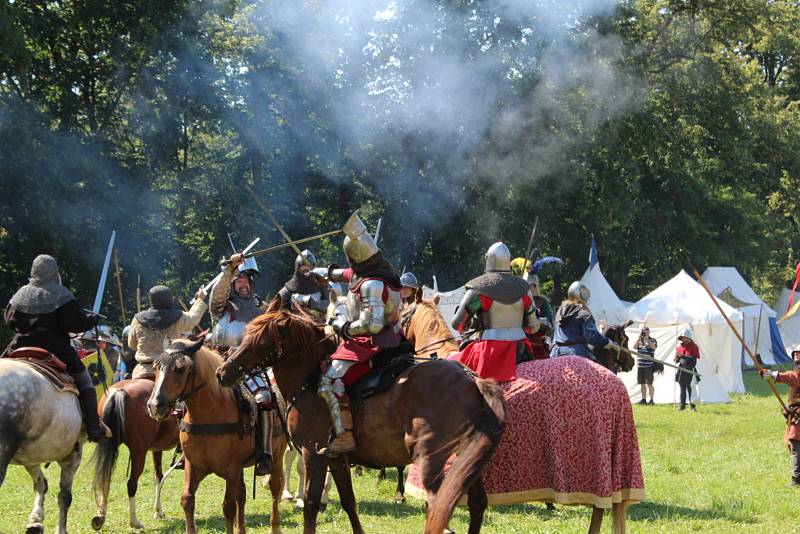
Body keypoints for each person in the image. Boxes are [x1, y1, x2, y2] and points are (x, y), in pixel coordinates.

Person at [3, 254, 111, 442]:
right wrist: (91, 320)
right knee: (85, 382)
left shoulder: (21, 294)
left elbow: (9, 320)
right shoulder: (61, 294)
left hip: (20, 344)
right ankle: (93, 428)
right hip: (55, 346)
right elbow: (75, 324)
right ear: (54, 271)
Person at [320, 212, 403, 455]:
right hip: (395, 337)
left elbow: (372, 324)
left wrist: (344, 328)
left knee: (328, 381)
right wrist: (318, 270)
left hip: (369, 342)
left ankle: (344, 436)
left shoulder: (371, 284)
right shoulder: (378, 272)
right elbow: (344, 274)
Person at [210, 253, 274, 476]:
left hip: (250, 368)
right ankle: (182, 447)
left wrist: (264, 306)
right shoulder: (221, 308)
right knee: (185, 396)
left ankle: (263, 453)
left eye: (247, 282)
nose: (244, 285)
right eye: (239, 282)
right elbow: (216, 294)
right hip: (218, 363)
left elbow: (275, 318)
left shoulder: (259, 310)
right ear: (232, 286)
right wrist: (229, 270)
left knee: (265, 399)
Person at [449, 242, 540, 381]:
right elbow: (534, 327)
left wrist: (474, 322)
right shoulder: (523, 288)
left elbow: (458, 325)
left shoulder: (479, 288)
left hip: (490, 352)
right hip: (521, 349)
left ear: (488, 260)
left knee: (451, 367)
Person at [128, 285, 207, 380]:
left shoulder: (137, 319)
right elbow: (193, 317)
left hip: (143, 370)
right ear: (169, 299)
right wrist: (200, 299)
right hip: (169, 370)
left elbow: (132, 344)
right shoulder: (179, 317)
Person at [550, 281, 620, 360]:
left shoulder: (560, 310)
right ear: (581, 295)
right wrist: (608, 343)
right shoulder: (583, 312)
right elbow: (592, 336)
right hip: (576, 354)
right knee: (596, 371)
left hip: (555, 354)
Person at [760, 348, 800, 485]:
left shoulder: (797, 375)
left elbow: (793, 377)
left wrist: (774, 375)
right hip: (795, 413)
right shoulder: (796, 371)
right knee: (793, 444)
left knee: (795, 445)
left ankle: (796, 479)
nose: (796, 354)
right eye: (795, 353)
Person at [277, 249, 329, 321]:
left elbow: (330, 306)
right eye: (304, 265)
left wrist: (312, 303)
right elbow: (276, 311)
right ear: (298, 268)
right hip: (296, 328)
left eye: (309, 266)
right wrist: (262, 305)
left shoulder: (321, 285)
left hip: (319, 328)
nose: (307, 268)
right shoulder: (288, 290)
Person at [525, 273, 553, 359]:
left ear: (535, 286)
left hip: (538, 344)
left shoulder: (542, 302)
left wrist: (535, 321)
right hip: (523, 345)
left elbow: (549, 322)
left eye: (532, 285)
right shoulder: (521, 300)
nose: (530, 288)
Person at [674, 327, 699, 411]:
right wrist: (676, 358)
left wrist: (683, 356)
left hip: (689, 369)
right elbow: (677, 360)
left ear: (688, 337)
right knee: (682, 388)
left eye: (684, 337)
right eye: (682, 337)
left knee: (690, 388)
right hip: (681, 369)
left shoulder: (694, 346)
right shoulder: (680, 347)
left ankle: (692, 406)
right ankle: (682, 405)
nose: (683, 339)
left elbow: (693, 361)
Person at [634, 325, 658, 404]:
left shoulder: (653, 340)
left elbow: (654, 347)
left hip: (649, 365)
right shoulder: (640, 340)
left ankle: (651, 400)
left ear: (649, 332)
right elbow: (634, 347)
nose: (645, 333)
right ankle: (643, 399)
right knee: (642, 383)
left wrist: (647, 339)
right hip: (640, 365)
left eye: (646, 331)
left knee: (650, 383)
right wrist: (639, 338)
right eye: (644, 331)